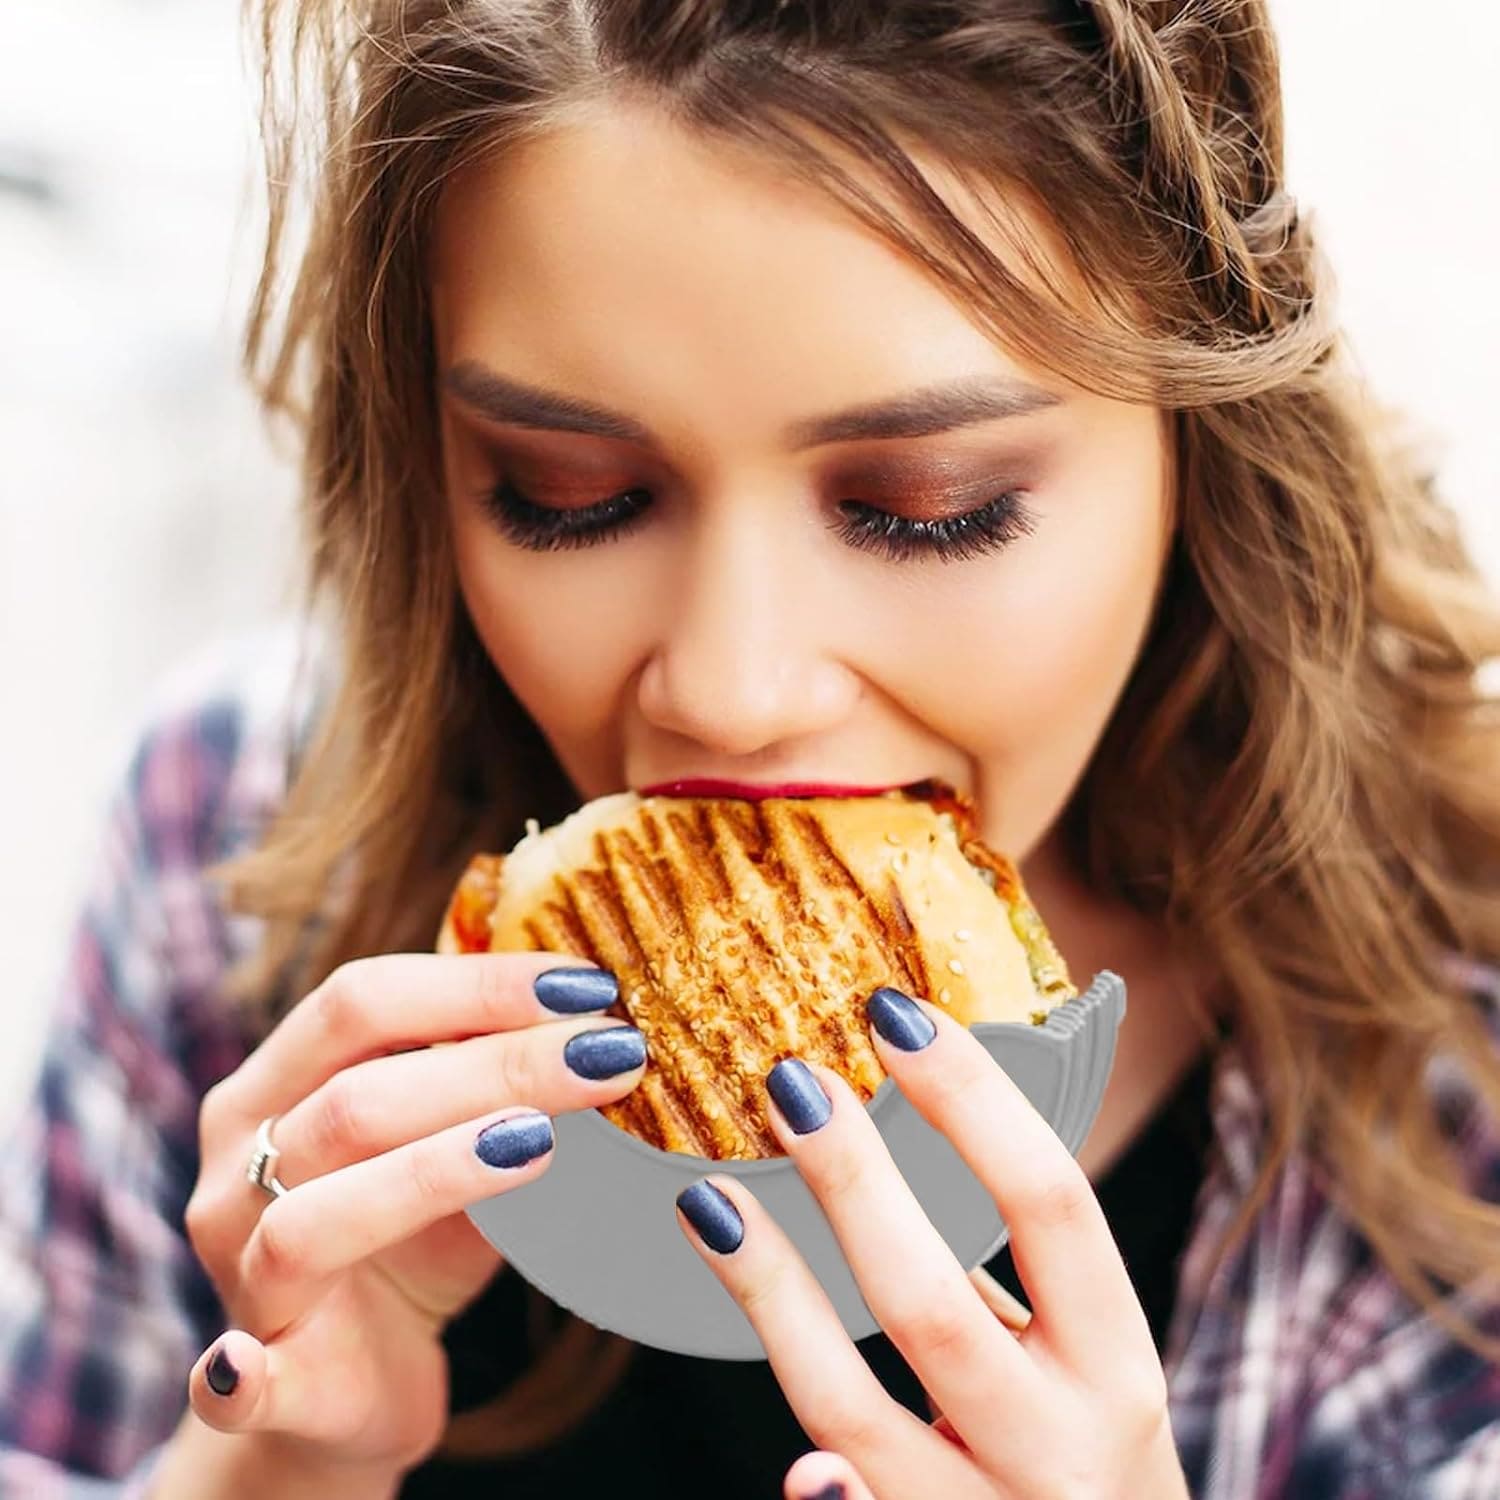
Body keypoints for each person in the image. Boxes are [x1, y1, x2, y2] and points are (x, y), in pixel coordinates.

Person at [3, 0, 1499, 1495]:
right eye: (564, 493)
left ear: (1200, 448)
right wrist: (267, 1466)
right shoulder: (235, 838)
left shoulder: (1468, 1051)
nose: (728, 690)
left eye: (930, 506)